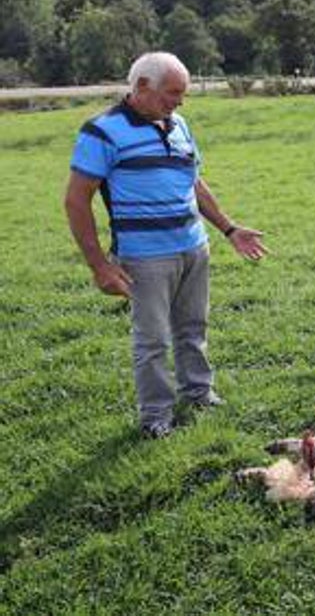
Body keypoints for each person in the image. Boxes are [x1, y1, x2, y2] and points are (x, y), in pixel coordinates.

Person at [64, 52, 269, 439]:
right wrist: (99, 266)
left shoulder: (180, 125)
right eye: (172, 93)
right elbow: (77, 200)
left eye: (182, 94)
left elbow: (193, 182)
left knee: (193, 328)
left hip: (194, 246)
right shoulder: (101, 131)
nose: (179, 101)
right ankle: (156, 416)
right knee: (153, 340)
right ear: (141, 86)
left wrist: (228, 229)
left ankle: (198, 393)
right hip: (144, 257)